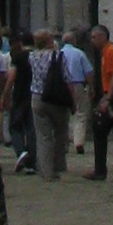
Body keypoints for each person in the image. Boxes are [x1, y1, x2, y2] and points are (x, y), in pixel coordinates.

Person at [31, 29, 72, 180]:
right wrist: (73, 99)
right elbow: (67, 78)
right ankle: (58, 165)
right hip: (56, 97)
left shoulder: (32, 56)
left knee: (43, 136)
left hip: (37, 96)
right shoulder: (58, 56)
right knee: (60, 132)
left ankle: (45, 170)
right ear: (49, 41)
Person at [90, 26, 113, 182]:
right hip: (110, 93)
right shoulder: (105, 52)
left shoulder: (111, 51)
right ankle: (100, 169)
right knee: (101, 130)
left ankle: (102, 171)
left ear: (103, 37)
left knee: (104, 130)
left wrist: (108, 99)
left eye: (94, 37)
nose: (92, 41)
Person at [6, 27, 37, 171]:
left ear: (21, 43)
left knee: (15, 126)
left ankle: (21, 152)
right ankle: (32, 160)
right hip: (34, 94)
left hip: (19, 95)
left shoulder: (18, 57)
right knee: (31, 127)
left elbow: (12, 77)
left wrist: (5, 93)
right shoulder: (37, 56)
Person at [60, 29, 94, 159]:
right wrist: (91, 86)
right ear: (74, 41)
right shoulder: (79, 54)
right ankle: (78, 141)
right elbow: (88, 72)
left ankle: (66, 141)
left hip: (63, 86)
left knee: (65, 113)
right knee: (81, 113)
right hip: (78, 84)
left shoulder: (58, 54)